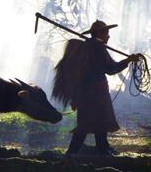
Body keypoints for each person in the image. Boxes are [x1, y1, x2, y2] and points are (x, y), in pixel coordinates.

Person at [52, 20, 143, 155]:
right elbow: (111, 68)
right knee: (90, 123)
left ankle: (102, 147)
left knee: (96, 121)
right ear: (100, 33)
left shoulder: (87, 47)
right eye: (107, 33)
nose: (109, 36)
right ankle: (73, 152)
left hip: (84, 93)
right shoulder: (98, 47)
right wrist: (128, 60)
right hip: (96, 93)